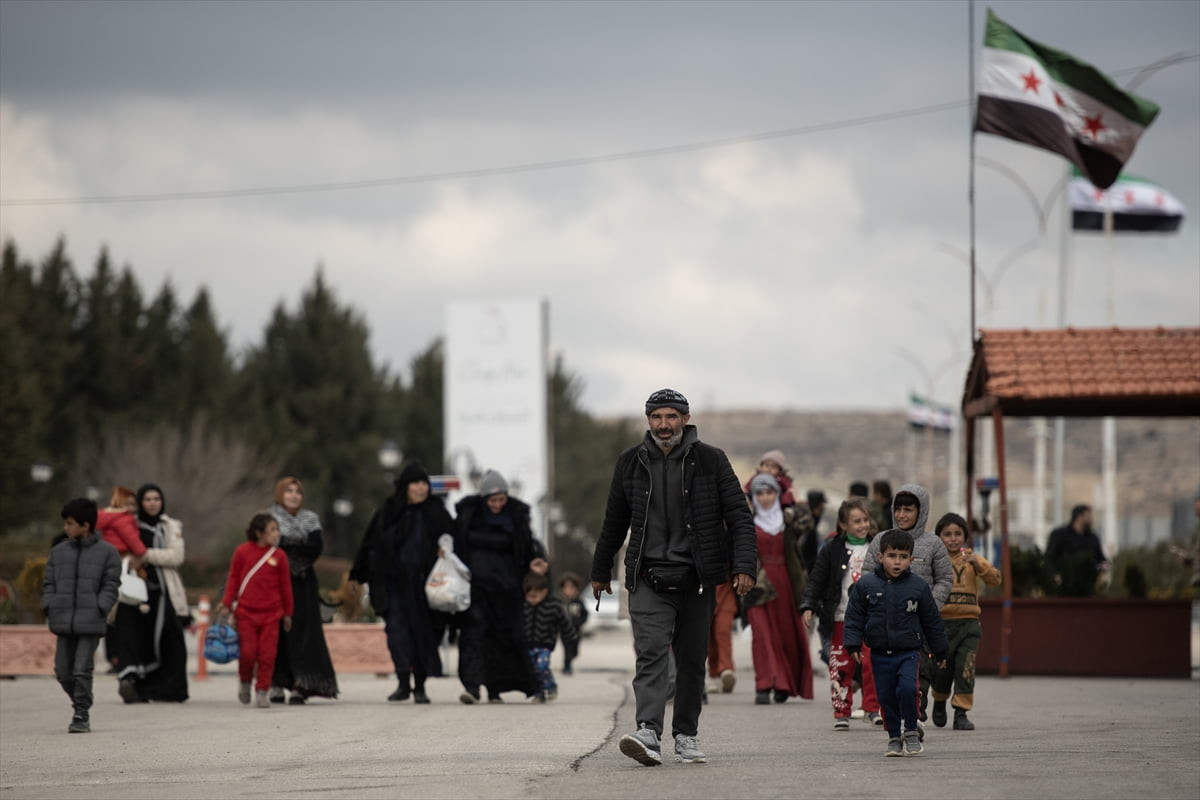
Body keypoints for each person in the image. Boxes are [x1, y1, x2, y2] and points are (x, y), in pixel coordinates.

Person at [591, 388, 756, 767]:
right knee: (651, 653)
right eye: (656, 417)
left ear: (685, 418)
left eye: (671, 417)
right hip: (647, 577)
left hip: (697, 577)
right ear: (648, 421)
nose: (663, 425)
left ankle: (686, 735)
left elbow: (739, 516)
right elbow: (614, 521)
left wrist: (744, 565)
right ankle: (648, 730)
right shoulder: (630, 462)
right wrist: (600, 571)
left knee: (691, 659)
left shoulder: (711, 460)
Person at [350, 461, 451, 703]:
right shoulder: (388, 511)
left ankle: (421, 686)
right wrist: (358, 573)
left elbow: (452, 540)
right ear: (405, 486)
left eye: (424, 483)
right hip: (393, 584)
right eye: (416, 483)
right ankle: (403, 682)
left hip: (427, 587)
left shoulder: (436, 511)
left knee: (425, 635)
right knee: (397, 634)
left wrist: (445, 549)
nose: (421, 488)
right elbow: (370, 543)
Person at [844, 529, 949, 758]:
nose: (897, 561)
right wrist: (852, 645)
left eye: (903, 556)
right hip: (879, 654)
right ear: (880, 557)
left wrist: (940, 650)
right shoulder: (866, 585)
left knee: (908, 689)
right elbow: (854, 616)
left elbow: (931, 620)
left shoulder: (918, 587)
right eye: (892, 555)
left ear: (911, 559)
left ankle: (911, 730)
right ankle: (893, 736)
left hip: (909, 652)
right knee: (886, 697)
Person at [860, 484, 952, 727]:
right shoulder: (881, 540)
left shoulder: (933, 545)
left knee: (919, 675)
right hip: (888, 626)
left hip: (920, 626)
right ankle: (898, 720)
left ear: (920, 512)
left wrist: (929, 605)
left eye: (908, 510)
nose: (901, 515)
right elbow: (867, 577)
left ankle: (915, 719)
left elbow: (944, 578)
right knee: (890, 679)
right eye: (898, 509)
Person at [452, 470, 544, 704]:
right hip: (475, 590)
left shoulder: (516, 516)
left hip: (507, 590)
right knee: (473, 636)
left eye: (501, 499)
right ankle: (472, 687)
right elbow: (456, 544)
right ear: (484, 499)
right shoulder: (468, 514)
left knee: (506, 638)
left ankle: (498, 688)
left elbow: (526, 548)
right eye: (492, 500)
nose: (496, 505)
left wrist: (534, 563)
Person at [800, 497, 881, 729]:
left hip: (871, 618)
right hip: (839, 617)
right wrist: (808, 605)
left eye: (865, 519)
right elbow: (816, 580)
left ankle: (872, 708)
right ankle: (841, 711)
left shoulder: (877, 547)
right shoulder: (832, 549)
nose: (863, 525)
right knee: (840, 665)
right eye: (856, 521)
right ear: (843, 524)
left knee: (871, 664)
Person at [44, 498, 121, 733]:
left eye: (70, 523)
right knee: (63, 672)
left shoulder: (108, 553)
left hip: (91, 620)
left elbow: (112, 584)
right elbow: (49, 583)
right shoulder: (58, 553)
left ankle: (81, 712)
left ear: (85, 525)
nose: (66, 528)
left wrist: (101, 606)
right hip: (63, 620)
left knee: (81, 669)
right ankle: (78, 700)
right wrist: (49, 605)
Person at [112, 483, 189, 703]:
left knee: (170, 640)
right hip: (134, 591)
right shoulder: (129, 525)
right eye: (147, 499)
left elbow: (176, 556)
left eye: (156, 499)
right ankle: (137, 686)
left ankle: (170, 689)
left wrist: (144, 554)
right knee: (137, 638)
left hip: (164, 592)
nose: (152, 503)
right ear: (140, 503)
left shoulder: (170, 526)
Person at [744, 472, 813, 705]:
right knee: (762, 636)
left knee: (787, 637)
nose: (764, 498)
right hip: (757, 587)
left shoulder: (788, 518)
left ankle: (784, 684)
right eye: (759, 493)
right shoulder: (746, 521)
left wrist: (794, 499)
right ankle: (764, 685)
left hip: (786, 583)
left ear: (777, 494)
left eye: (769, 492)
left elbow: (808, 522)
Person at [269, 477, 339, 705]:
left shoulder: (310, 519)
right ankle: (276, 683)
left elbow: (315, 548)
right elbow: (267, 546)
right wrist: (292, 547)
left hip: (303, 583)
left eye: (297, 492)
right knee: (277, 632)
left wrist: (287, 546)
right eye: (288, 491)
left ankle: (302, 684)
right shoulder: (269, 518)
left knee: (304, 633)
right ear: (280, 494)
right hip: (275, 582)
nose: (293, 495)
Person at [930, 512, 1001, 731]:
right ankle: (939, 701)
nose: (953, 538)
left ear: (965, 536)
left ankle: (961, 712)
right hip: (942, 624)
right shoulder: (935, 561)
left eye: (958, 534)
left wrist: (978, 563)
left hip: (969, 623)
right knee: (941, 669)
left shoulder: (972, 559)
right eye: (947, 534)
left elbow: (995, 579)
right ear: (939, 537)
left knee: (965, 667)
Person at [216, 513, 294, 708]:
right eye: (272, 530)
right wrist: (226, 602)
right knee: (248, 653)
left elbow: (285, 586)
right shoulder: (242, 552)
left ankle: (262, 690)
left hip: (272, 613)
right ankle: (244, 681)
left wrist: (287, 613)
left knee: (267, 655)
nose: (277, 534)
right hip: (246, 613)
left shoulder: (279, 556)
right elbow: (233, 579)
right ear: (259, 533)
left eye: (277, 529)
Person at [522, 571, 576, 702]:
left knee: (542, 666)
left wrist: (571, 636)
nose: (532, 600)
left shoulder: (554, 606)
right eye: (529, 597)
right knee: (532, 670)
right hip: (528, 644)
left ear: (544, 591)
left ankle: (550, 686)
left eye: (536, 596)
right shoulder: (524, 606)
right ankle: (539, 693)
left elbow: (564, 623)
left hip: (545, 644)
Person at [1045, 505, 1109, 596]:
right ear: (1079, 517)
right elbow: (1049, 558)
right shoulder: (1060, 535)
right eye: (1088, 516)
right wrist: (1055, 575)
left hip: (1087, 588)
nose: (1091, 519)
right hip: (1063, 587)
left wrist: (1100, 569)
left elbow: (1100, 560)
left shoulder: (1092, 538)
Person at [557, 572, 588, 675]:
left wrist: (580, 622)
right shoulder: (560, 603)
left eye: (571, 588)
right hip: (564, 631)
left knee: (574, 651)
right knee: (566, 649)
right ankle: (567, 667)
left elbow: (585, 614)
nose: (569, 591)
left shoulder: (579, 602)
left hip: (576, 631)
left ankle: (571, 658)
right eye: (566, 588)